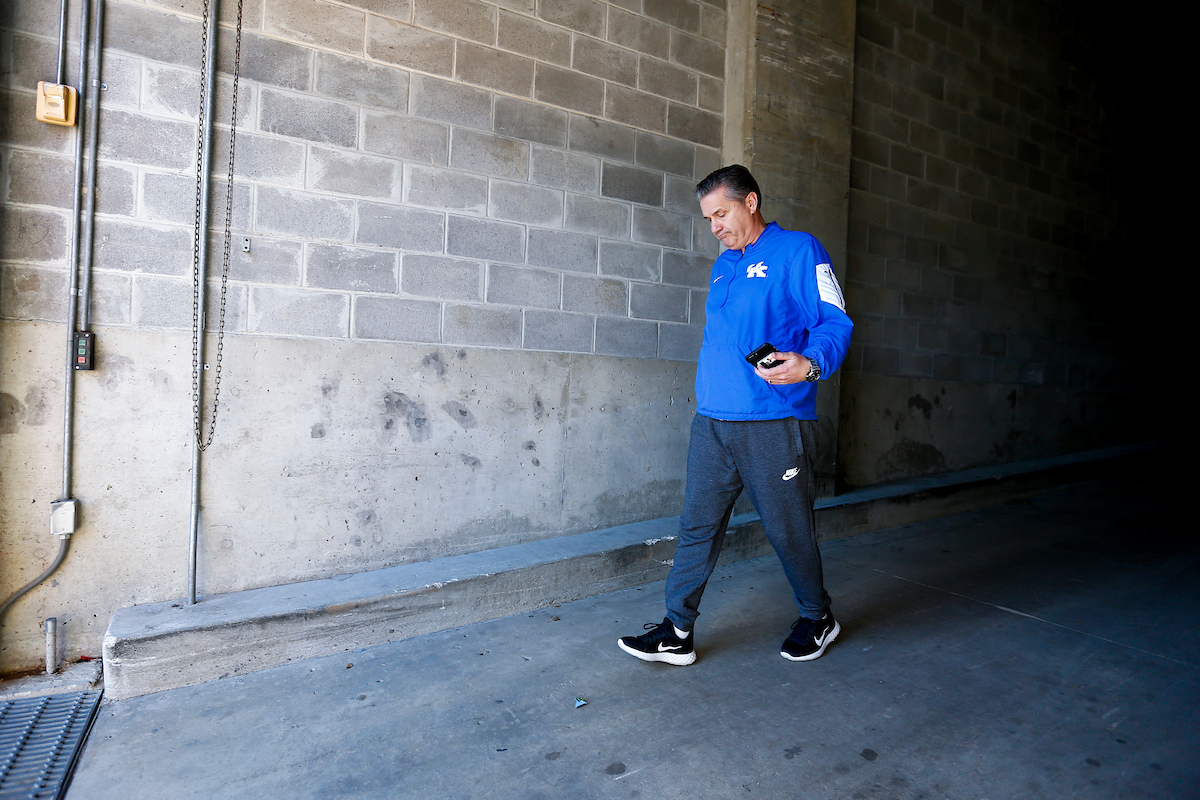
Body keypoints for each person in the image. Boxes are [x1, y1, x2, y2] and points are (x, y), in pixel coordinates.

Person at [618, 165, 853, 665]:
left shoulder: (799, 250)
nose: (715, 227)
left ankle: (817, 616)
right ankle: (676, 631)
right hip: (713, 422)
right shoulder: (723, 265)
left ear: (750, 202)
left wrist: (809, 364)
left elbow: (835, 321)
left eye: (720, 213)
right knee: (697, 526)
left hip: (774, 419)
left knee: (788, 530)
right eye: (707, 218)